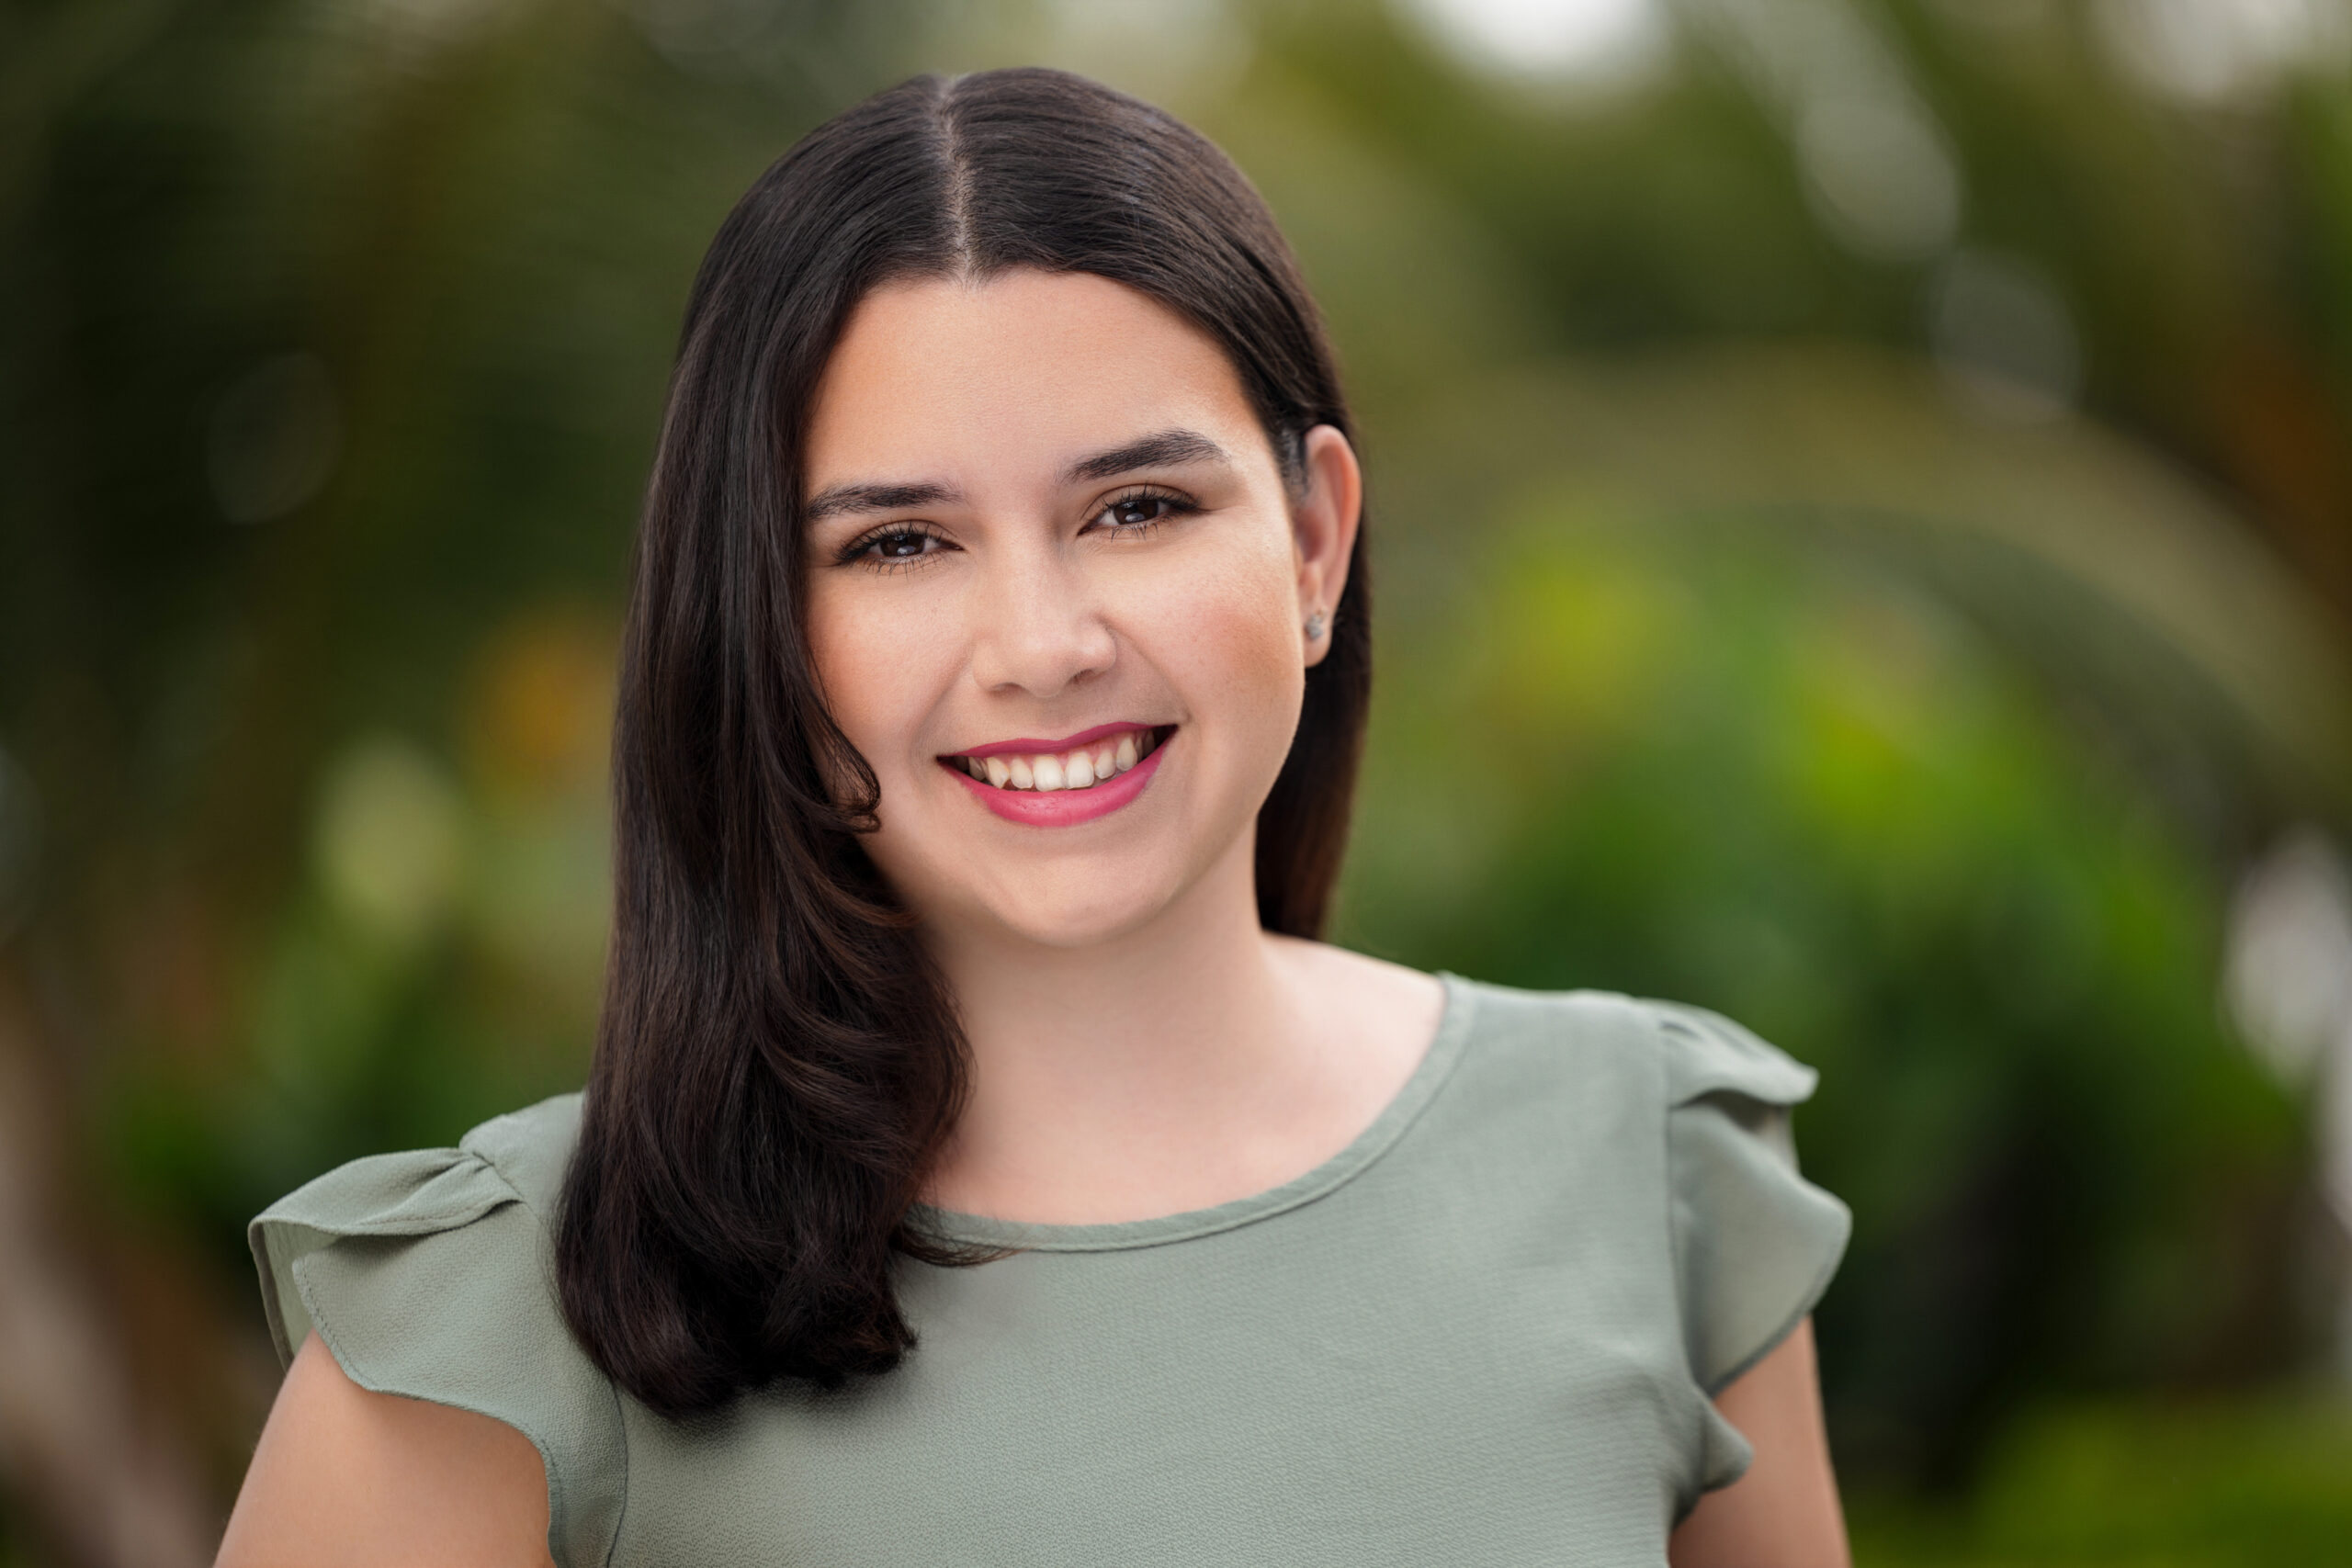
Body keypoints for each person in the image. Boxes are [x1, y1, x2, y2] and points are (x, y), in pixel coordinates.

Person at [217, 67, 1851, 1568]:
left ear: (1313, 546)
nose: (1044, 647)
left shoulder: (1651, 1170)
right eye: (900, 545)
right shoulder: (504, 1314)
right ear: (764, 632)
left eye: (1137, 508)